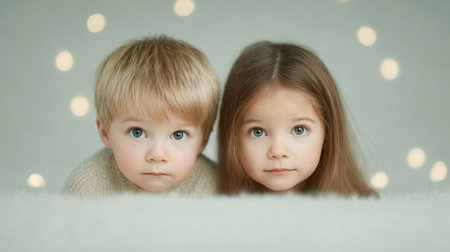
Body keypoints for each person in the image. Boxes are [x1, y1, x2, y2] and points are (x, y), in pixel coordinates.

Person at [62, 36, 220, 197]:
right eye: (137, 132)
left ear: (203, 140)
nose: (157, 155)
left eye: (178, 135)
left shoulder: (215, 187)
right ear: (105, 133)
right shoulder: (88, 185)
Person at [217, 41, 377, 197]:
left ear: (328, 134)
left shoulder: (360, 211)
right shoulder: (211, 203)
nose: (278, 152)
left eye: (299, 130)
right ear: (232, 136)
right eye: (258, 132)